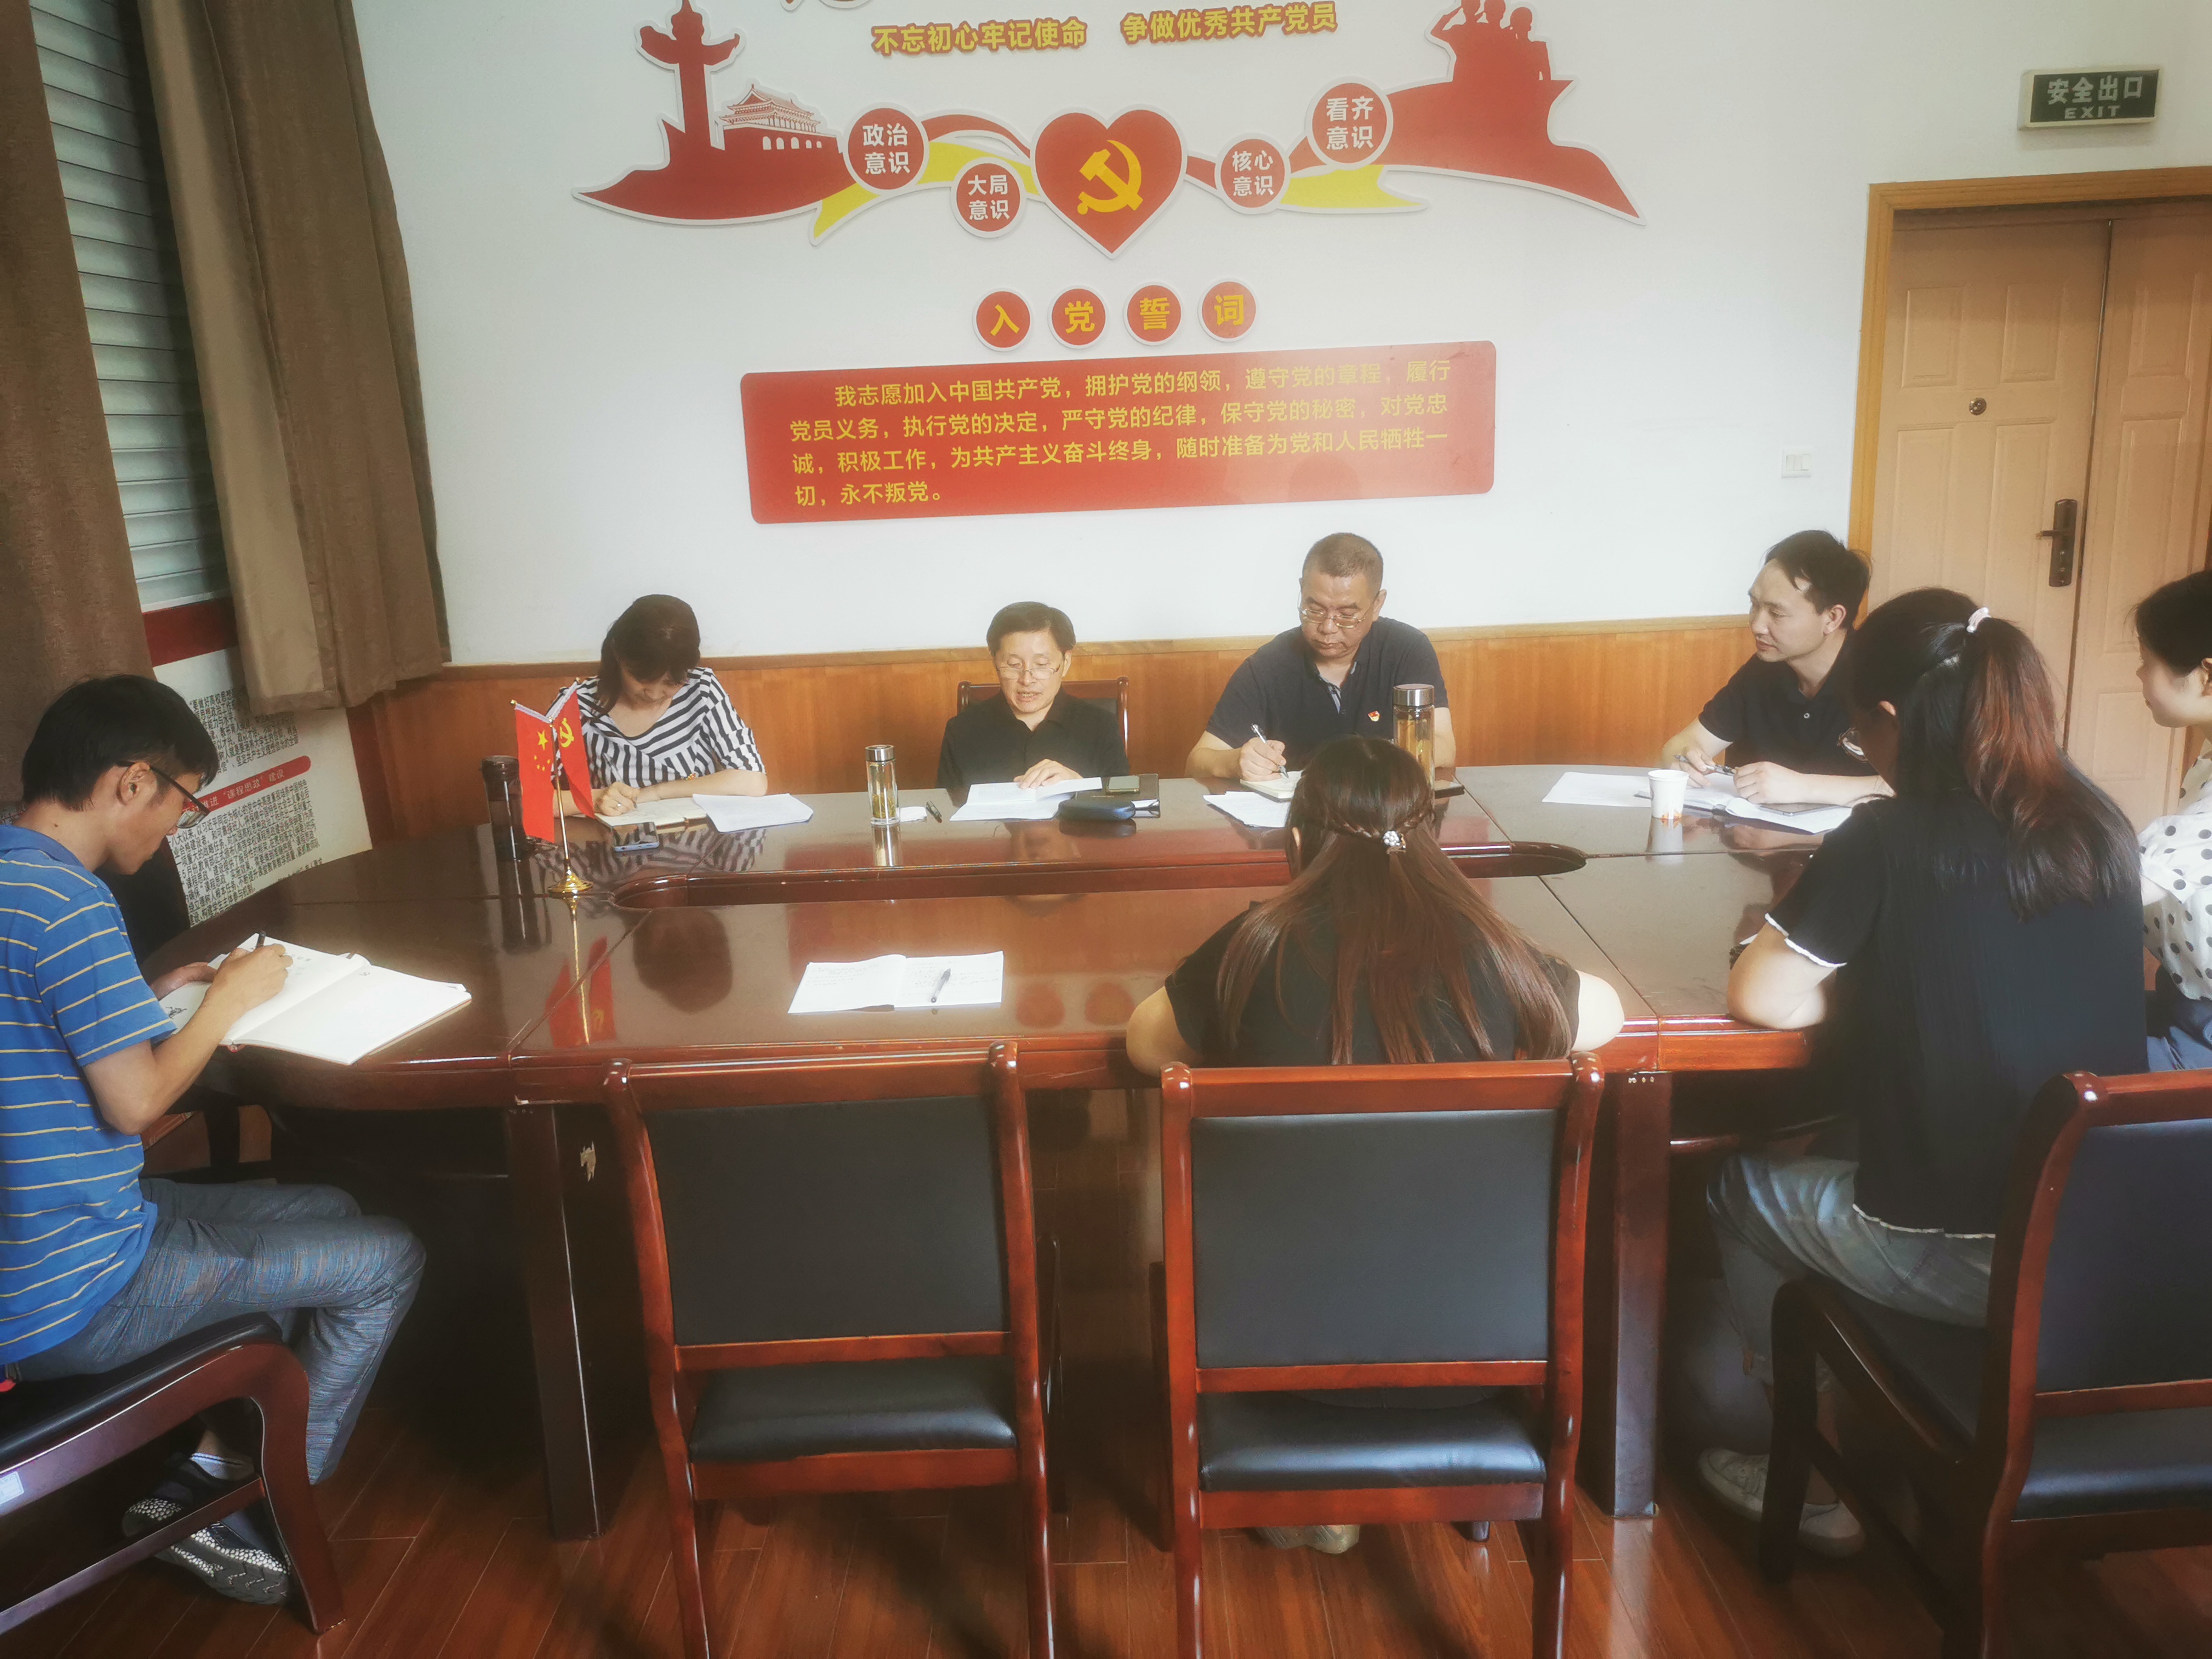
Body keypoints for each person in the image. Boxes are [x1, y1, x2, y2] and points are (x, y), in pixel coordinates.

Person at [1699, 589, 2142, 1558]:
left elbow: (1763, 996)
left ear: (1893, 721)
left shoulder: (1888, 838)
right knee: (1856, 1138)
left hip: (1979, 1258)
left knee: (1740, 1188)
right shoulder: (2098, 823)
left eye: (1860, 734)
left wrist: (1860, 984)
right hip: (2113, 1242)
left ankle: (1813, 1484)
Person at [1126, 736, 1624, 1554]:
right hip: (1480, 1353)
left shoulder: (1256, 945)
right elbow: (1606, 1014)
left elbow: (1146, 1046)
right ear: (1431, 840)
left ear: (1296, 841)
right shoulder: (1490, 949)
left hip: (1272, 1356)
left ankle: (1316, 1495)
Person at [2, 678, 425, 1606]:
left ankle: (205, 1467)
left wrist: (153, 1001)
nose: (173, 827)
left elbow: (38, 1031)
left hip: (34, 1242)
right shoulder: (70, 903)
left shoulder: (11, 872)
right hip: (71, 1288)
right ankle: (255, 1521)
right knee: (389, 1257)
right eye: (182, 802)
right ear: (131, 782)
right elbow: (136, 1104)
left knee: (329, 1208)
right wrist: (226, 1001)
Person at [1186, 534, 1456, 782]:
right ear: (1302, 590)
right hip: (1301, 813)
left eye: (1346, 615)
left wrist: (1374, 759)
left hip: (1385, 807)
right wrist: (1237, 762)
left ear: (1377, 605)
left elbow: (1444, 746)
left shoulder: (1407, 650)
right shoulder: (1268, 666)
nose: (1328, 627)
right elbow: (1197, 761)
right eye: (1314, 610)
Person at [1661, 532, 1891, 808]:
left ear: (1832, 618)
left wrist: (1805, 787)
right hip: (1754, 833)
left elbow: (1920, 789)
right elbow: (1683, 744)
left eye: (1776, 613)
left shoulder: (1885, 677)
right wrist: (1684, 759)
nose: (1757, 625)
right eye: (1754, 605)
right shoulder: (1762, 671)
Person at [559, 594, 765, 816]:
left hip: (700, 834)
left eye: (672, 682)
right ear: (618, 654)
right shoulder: (578, 705)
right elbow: (535, 799)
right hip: (622, 835)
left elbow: (753, 780)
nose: (654, 694)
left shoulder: (701, 688)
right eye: (643, 679)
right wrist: (597, 798)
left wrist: (655, 793)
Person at [2132, 569, 2212, 1068]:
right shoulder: (2206, 760)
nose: (2140, 675)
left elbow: (2110, 889)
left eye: (2147, 661)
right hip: (2181, 1004)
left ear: (2207, 675)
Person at [936, 602, 1130, 791]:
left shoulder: (1100, 726)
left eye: (1041, 665)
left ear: (1066, 662)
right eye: (1013, 665)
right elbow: (946, 808)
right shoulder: (962, 731)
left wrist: (1082, 786)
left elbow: (1124, 800)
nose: (1027, 680)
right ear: (995, 662)